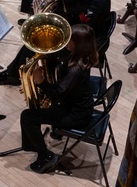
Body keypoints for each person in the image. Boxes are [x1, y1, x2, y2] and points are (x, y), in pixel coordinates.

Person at [18, 24, 98, 173]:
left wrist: (41, 81)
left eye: (69, 40)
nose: (66, 42)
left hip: (75, 115)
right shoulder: (81, 56)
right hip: (77, 106)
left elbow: (56, 93)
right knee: (34, 112)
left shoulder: (76, 70)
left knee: (27, 116)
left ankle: (45, 156)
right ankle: (35, 145)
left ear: (78, 44)